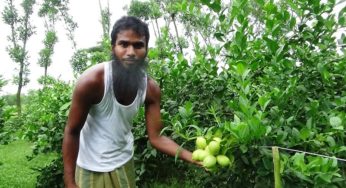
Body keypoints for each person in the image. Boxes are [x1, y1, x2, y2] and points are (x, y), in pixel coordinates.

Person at [62, 16, 199, 188]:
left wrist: (193, 157)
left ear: (146, 49)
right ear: (113, 47)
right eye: (124, 44)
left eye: (138, 45)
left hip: (123, 163)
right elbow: (72, 130)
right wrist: (69, 182)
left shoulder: (150, 88)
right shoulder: (92, 82)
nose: (131, 52)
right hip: (90, 167)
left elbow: (156, 137)